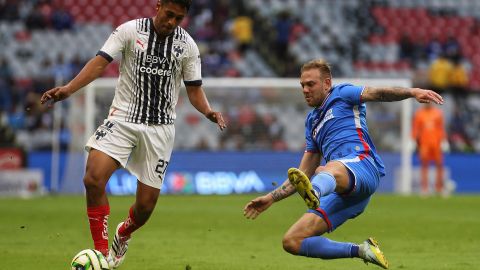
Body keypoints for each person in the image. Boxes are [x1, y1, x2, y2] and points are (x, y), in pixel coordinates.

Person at [40, 0, 226, 268]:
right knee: (93, 178)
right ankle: (102, 254)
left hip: (160, 129)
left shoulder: (187, 46)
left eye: (179, 18)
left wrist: (207, 111)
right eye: (169, 15)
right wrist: (68, 89)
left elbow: (194, 89)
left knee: (145, 207)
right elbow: (99, 63)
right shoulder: (129, 31)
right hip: (123, 118)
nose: (172, 22)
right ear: (158, 6)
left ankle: (123, 233)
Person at [243, 59, 444, 269]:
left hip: (363, 165)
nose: (305, 89)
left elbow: (377, 93)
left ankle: (316, 192)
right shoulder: (312, 123)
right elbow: (302, 173)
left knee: (326, 169)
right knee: (292, 241)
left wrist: (412, 92)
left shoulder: (342, 94)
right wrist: (269, 198)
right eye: (302, 85)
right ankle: (362, 250)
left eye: (310, 84)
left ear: (327, 83)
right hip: (346, 194)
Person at [412, 103, 445, 196]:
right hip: (424, 144)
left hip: (436, 144)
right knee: (424, 165)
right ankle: (425, 188)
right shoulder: (419, 114)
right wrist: (413, 139)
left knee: (439, 165)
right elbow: (416, 128)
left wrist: (443, 140)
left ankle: (439, 188)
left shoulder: (438, 113)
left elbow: (440, 128)